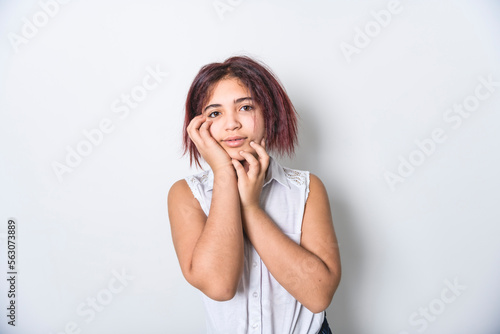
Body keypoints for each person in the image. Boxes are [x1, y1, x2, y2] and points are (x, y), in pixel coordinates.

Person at [168, 55, 341, 334]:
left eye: (245, 107)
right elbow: (219, 286)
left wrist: (251, 207)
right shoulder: (187, 194)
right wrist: (224, 175)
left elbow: (318, 296)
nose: (231, 124)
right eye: (214, 113)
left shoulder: (306, 189)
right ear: (198, 125)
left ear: (269, 112)